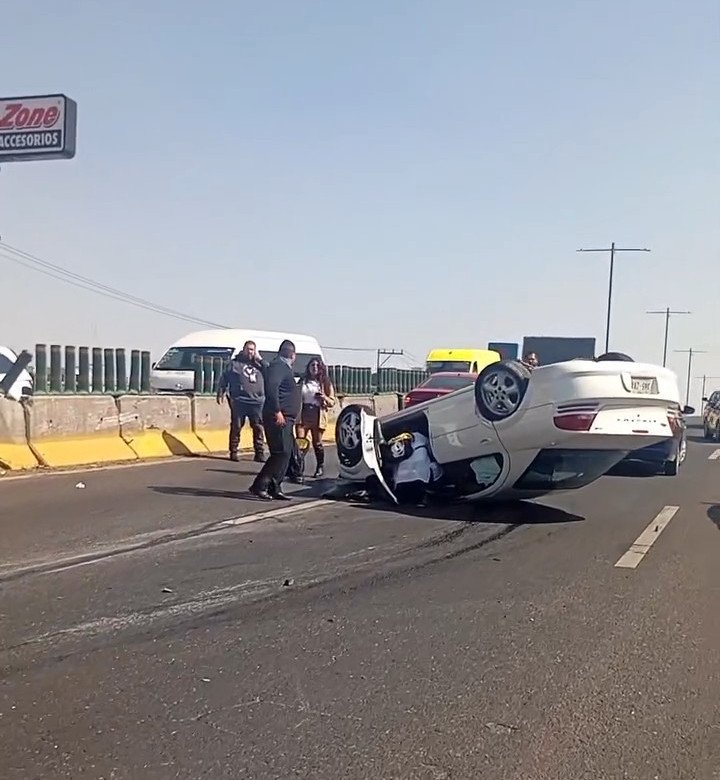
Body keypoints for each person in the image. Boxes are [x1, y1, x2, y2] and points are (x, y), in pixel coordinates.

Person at [250, 339, 301, 501]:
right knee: (281, 452)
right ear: (293, 355)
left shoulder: (281, 367)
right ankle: (260, 485)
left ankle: (275, 486)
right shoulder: (279, 367)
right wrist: (277, 411)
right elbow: (272, 389)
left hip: (287, 417)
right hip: (279, 417)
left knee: (286, 453)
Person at [216, 340, 267, 462]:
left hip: (257, 401)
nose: (250, 352)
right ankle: (233, 451)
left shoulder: (260, 365)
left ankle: (259, 452)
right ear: (243, 350)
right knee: (236, 426)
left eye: (252, 349)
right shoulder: (235, 364)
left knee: (258, 427)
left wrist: (259, 359)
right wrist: (220, 392)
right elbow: (224, 378)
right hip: (240, 401)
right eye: (248, 349)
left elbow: (269, 370)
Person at [295, 357, 336, 478]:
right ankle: (298, 469)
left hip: (317, 413)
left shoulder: (325, 383)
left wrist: (323, 397)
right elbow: (296, 395)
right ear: (308, 368)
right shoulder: (303, 381)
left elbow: (332, 401)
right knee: (300, 442)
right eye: (312, 365)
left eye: (317, 366)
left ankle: (320, 466)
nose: (315, 368)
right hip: (304, 412)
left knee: (317, 443)